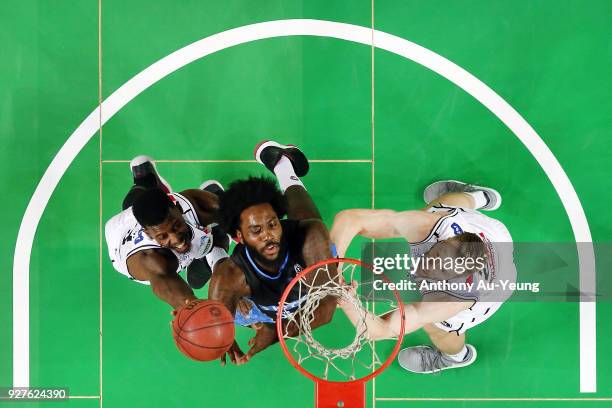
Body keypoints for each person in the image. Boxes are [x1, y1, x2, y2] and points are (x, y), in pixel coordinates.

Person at [330, 180, 516, 373]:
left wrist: (348, 303)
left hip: (495, 289)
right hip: (494, 234)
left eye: (443, 271)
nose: (429, 267)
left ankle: (456, 357)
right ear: (447, 239)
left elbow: (382, 329)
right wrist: (331, 268)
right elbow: (350, 219)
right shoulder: (435, 227)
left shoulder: (451, 299)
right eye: (436, 255)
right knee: (436, 209)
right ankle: (479, 197)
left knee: (436, 325)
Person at [208, 141, 337, 365]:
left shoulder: (307, 238)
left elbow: (326, 308)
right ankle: (216, 240)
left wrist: (275, 332)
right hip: (261, 306)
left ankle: (282, 165)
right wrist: (200, 322)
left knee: (312, 224)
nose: (268, 235)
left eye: (273, 224)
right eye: (256, 230)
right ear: (240, 237)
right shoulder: (230, 276)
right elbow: (212, 322)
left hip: (303, 289)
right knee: (237, 314)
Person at [104, 156, 229, 310]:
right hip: (121, 234)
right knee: (196, 281)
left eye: (176, 226)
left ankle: (148, 181)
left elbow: (246, 215)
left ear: (178, 209)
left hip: (172, 218)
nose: (176, 239)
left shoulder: (191, 203)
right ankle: (146, 182)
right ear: (149, 234)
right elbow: (177, 294)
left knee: (227, 218)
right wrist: (190, 308)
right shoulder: (153, 261)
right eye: (163, 236)